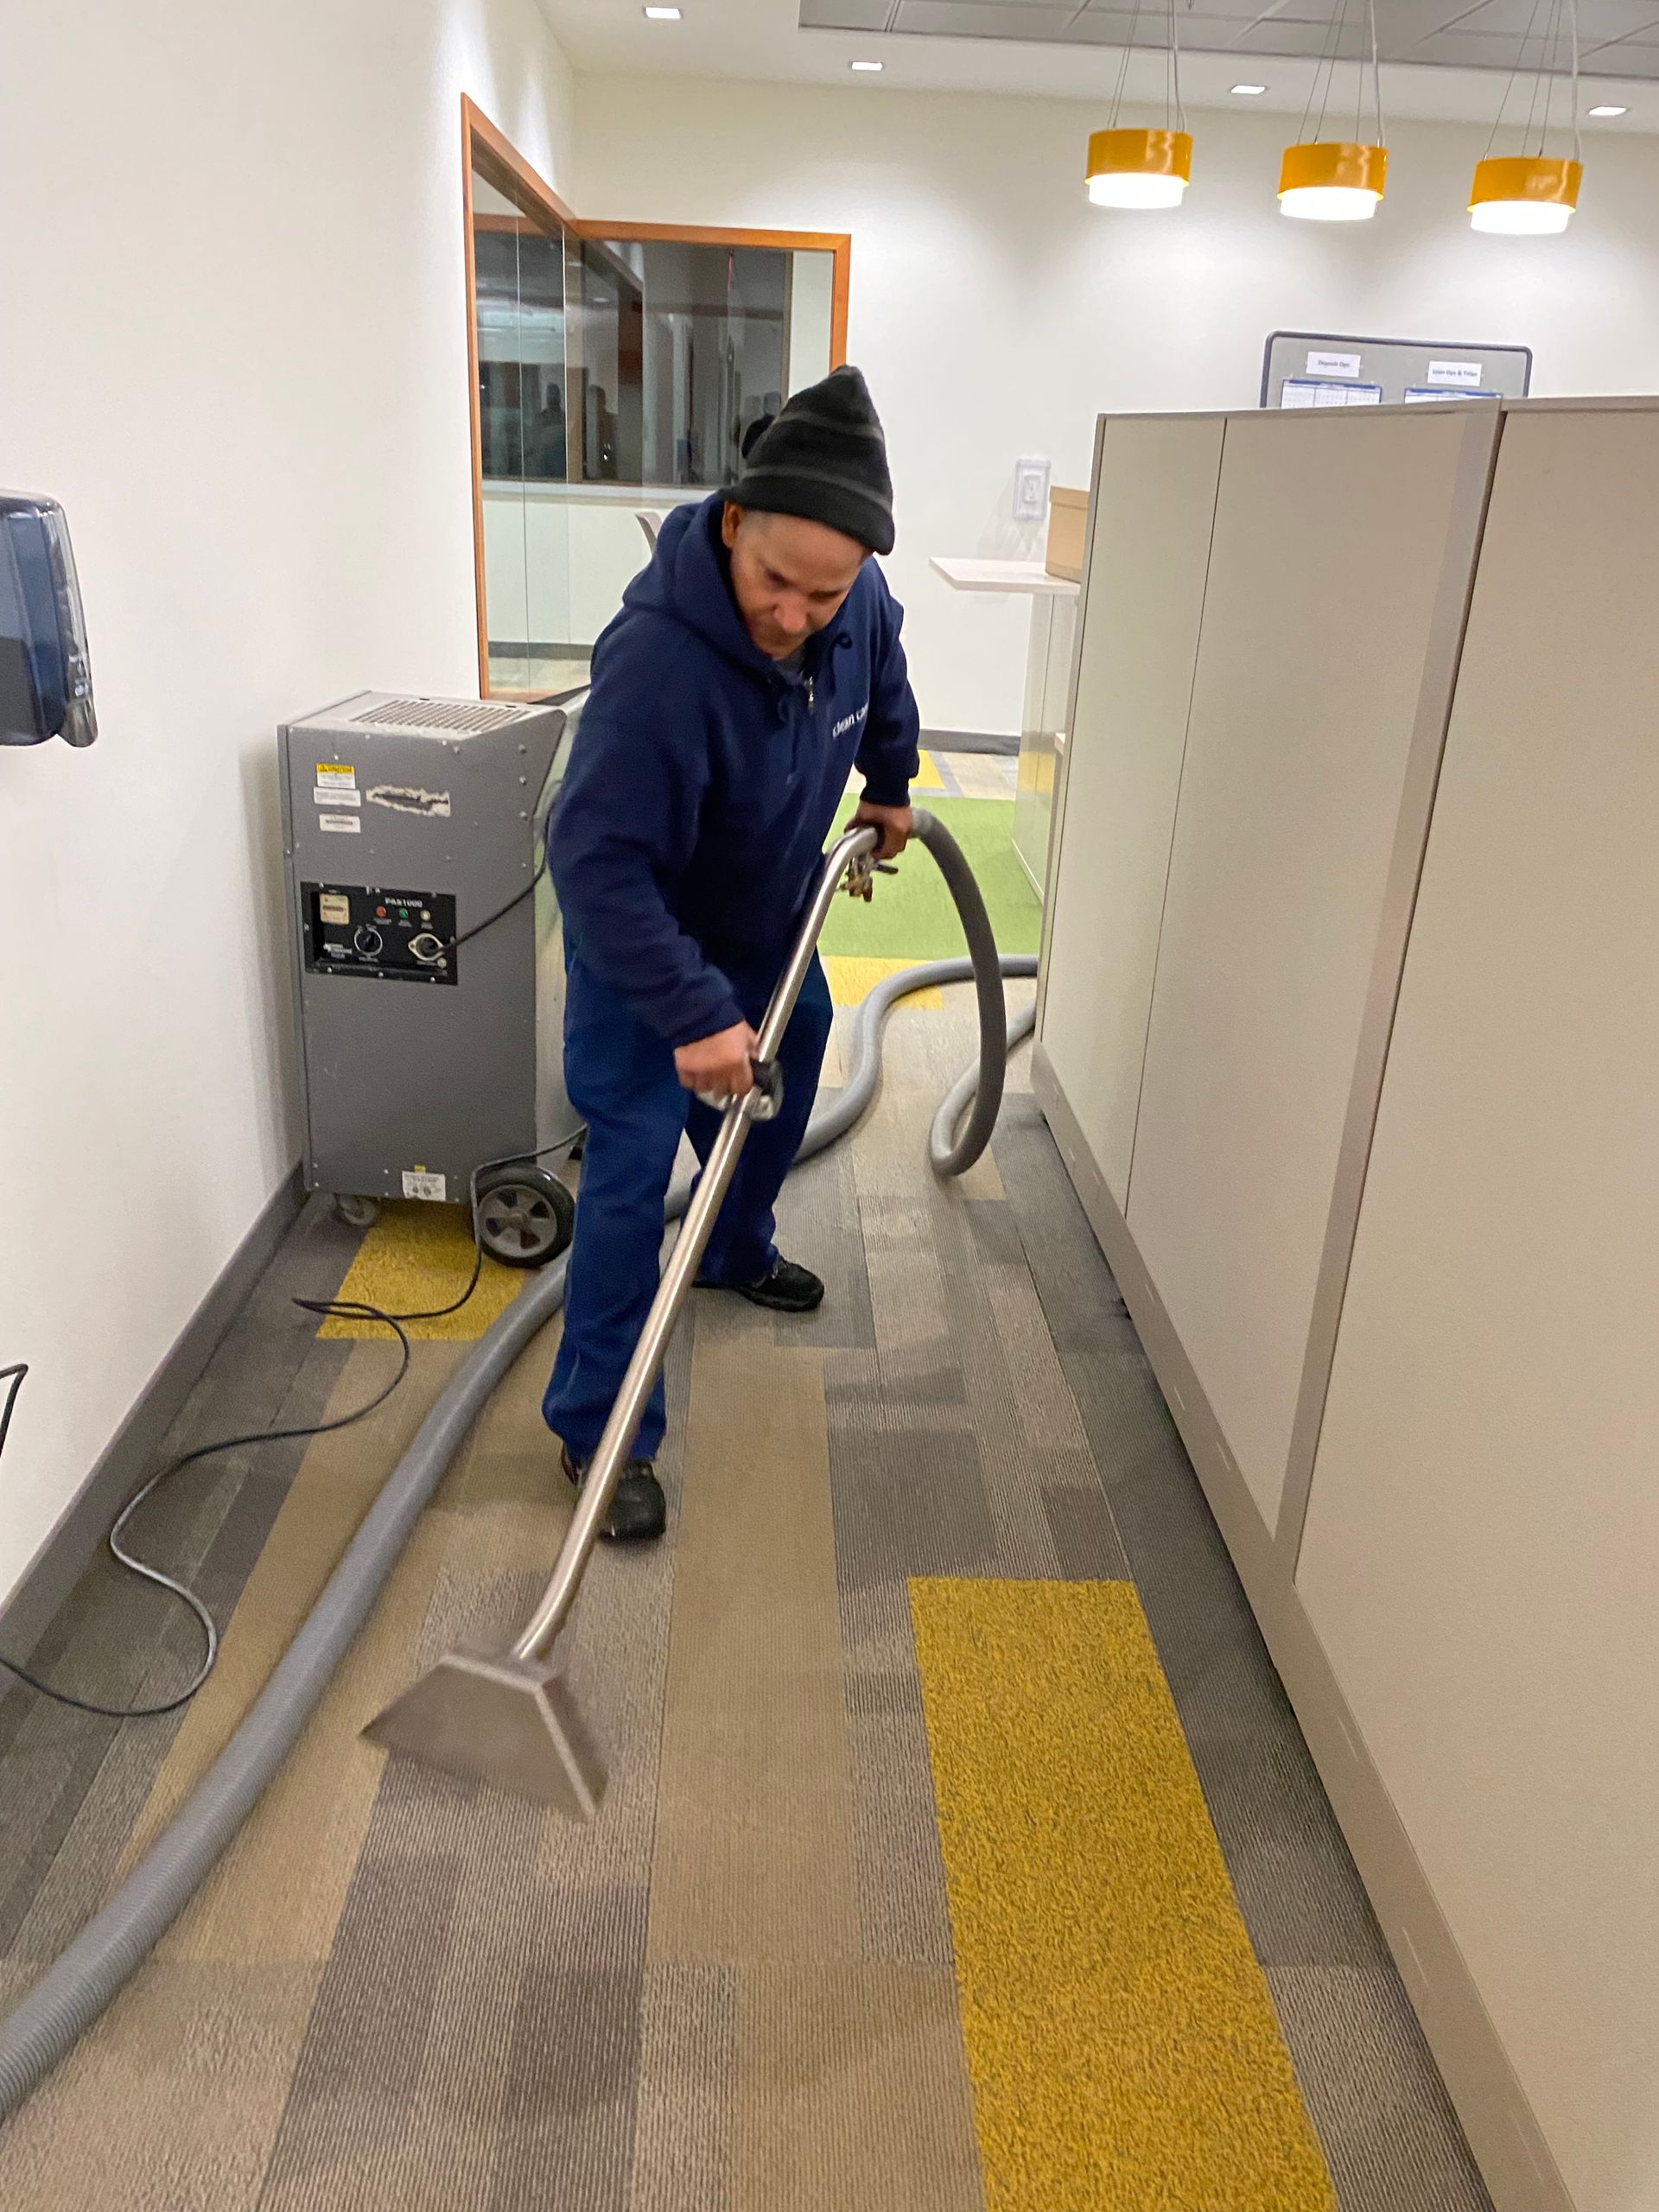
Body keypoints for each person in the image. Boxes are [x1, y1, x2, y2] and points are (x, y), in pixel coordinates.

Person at [543, 365, 918, 1540]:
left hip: (766, 922)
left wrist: (893, 781)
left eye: (826, 592)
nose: (795, 615)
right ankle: (602, 1431)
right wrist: (695, 1015)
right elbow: (594, 861)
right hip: (646, 957)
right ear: (734, 520)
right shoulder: (660, 662)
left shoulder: (853, 599)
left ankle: (735, 1246)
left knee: (797, 1049)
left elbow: (886, 671)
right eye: (774, 582)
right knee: (628, 1173)